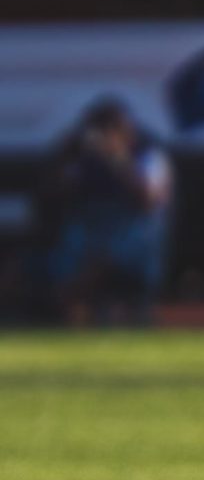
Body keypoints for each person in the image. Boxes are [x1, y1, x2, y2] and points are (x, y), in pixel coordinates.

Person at [43, 97, 172, 325]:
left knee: (109, 255)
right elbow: (54, 193)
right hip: (90, 225)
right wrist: (68, 150)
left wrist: (117, 159)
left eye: (115, 130)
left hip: (133, 229)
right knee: (69, 250)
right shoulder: (81, 157)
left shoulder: (148, 155)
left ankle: (73, 301)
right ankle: (65, 305)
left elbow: (149, 199)